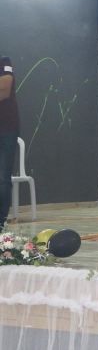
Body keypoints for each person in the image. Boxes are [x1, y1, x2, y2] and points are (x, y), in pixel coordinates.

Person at [0, 55, 20, 232]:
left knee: (2, 178)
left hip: (6, 128)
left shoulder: (4, 62)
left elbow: (5, 89)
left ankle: (0, 221)